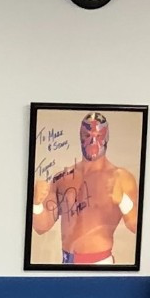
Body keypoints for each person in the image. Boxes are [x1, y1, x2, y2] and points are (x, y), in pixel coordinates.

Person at [32, 112, 138, 265]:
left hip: (99, 264)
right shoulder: (63, 178)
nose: (92, 141)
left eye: (98, 135)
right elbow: (41, 227)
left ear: (106, 136)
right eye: (87, 135)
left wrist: (123, 200)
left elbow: (136, 227)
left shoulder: (120, 177)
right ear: (80, 136)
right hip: (66, 263)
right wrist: (36, 203)